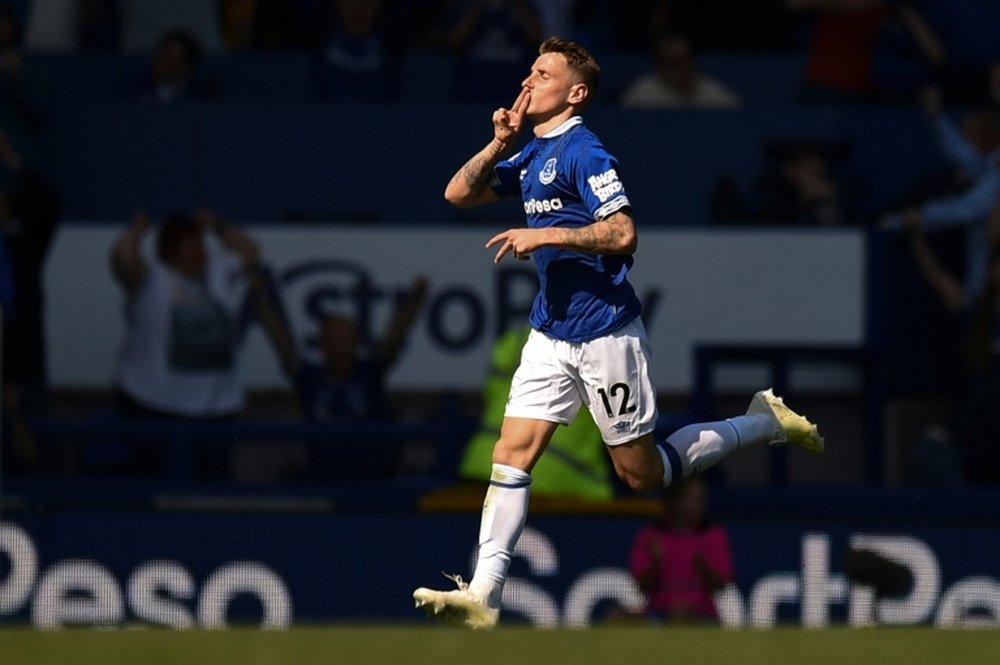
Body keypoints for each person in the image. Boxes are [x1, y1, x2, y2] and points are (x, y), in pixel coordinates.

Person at [412, 36, 824, 629]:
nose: (529, 81)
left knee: (640, 475)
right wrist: (500, 141)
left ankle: (761, 421)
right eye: (529, 70)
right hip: (551, 331)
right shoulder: (529, 152)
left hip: (606, 332)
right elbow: (458, 193)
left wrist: (547, 235)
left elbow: (624, 232)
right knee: (511, 452)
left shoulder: (584, 152)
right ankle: (485, 591)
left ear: (575, 94)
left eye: (544, 74)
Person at [110, 208, 261, 421]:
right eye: (193, 249)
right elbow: (124, 259)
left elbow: (251, 250)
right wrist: (137, 229)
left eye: (201, 247)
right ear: (171, 252)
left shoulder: (216, 272)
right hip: (155, 405)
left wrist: (216, 225)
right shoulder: (151, 279)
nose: (201, 255)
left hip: (216, 407)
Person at [256, 273, 429, 422]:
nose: (342, 342)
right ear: (321, 344)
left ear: (356, 341)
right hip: (323, 460)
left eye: (348, 336)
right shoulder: (309, 377)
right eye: (336, 337)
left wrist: (415, 300)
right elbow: (281, 342)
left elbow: (395, 336)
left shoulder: (370, 372)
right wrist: (259, 302)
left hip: (370, 459)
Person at [882, 87, 1000, 299]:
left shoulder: (992, 176)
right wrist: (937, 119)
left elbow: (964, 211)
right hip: (982, 298)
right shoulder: (987, 165)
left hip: (987, 296)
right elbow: (968, 159)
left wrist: (901, 221)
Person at [0, 129, 61, 471]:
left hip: (24, 365)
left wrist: (11, 157)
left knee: (36, 455)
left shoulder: (23, 243)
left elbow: (48, 202)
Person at [628, 475, 733, 624]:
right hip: (658, 616)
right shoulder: (651, 535)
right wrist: (655, 563)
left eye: (701, 499)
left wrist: (703, 566)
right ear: (675, 501)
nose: (700, 505)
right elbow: (640, 587)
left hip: (703, 616)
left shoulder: (713, 534)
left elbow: (721, 586)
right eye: (693, 499)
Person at [619, 33, 740, 109]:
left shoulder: (714, 92)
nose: (681, 69)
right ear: (661, 66)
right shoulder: (641, 94)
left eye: (685, 61)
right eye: (673, 64)